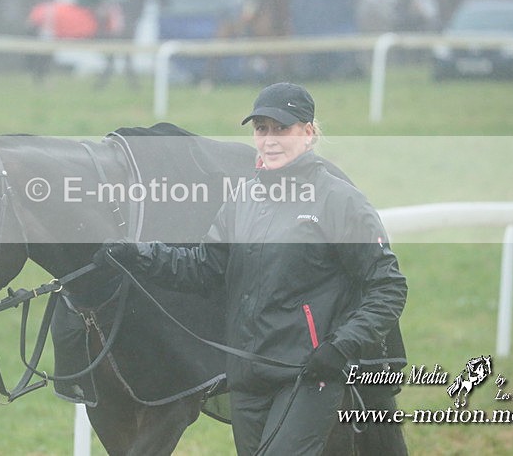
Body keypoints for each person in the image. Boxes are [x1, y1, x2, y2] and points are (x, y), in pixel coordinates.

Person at [94, 82, 408, 455]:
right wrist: (138, 255)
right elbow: (203, 269)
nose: (270, 139)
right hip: (247, 379)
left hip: (310, 377)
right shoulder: (243, 198)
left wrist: (339, 348)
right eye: (262, 129)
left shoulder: (339, 200)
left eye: (282, 129)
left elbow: (388, 288)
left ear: (308, 133)